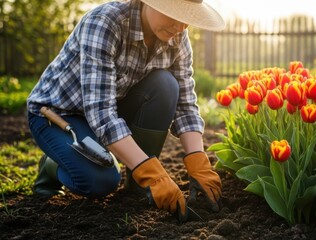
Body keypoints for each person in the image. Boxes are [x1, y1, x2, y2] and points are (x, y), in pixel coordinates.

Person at [26, 0, 225, 221]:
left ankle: (138, 183)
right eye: (173, 14)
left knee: (166, 85)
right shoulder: (105, 23)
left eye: (187, 18)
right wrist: (153, 173)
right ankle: (53, 164)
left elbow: (186, 104)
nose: (179, 27)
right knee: (100, 181)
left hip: (112, 106)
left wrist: (198, 160)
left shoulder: (176, 37)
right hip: (59, 115)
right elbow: (101, 113)